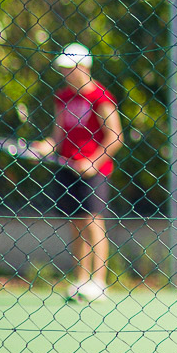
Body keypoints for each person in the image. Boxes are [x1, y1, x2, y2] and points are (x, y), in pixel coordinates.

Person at [31, 43, 123, 302]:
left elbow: (115, 136)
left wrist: (94, 162)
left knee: (93, 222)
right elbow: (57, 137)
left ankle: (99, 282)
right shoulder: (63, 97)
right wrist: (44, 147)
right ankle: (82, 280)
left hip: (95, 171)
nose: (65, 74)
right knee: (76, 224)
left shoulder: (101, 97)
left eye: (69, 69)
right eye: (63, 69)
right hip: (67, 168)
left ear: (83, 67)